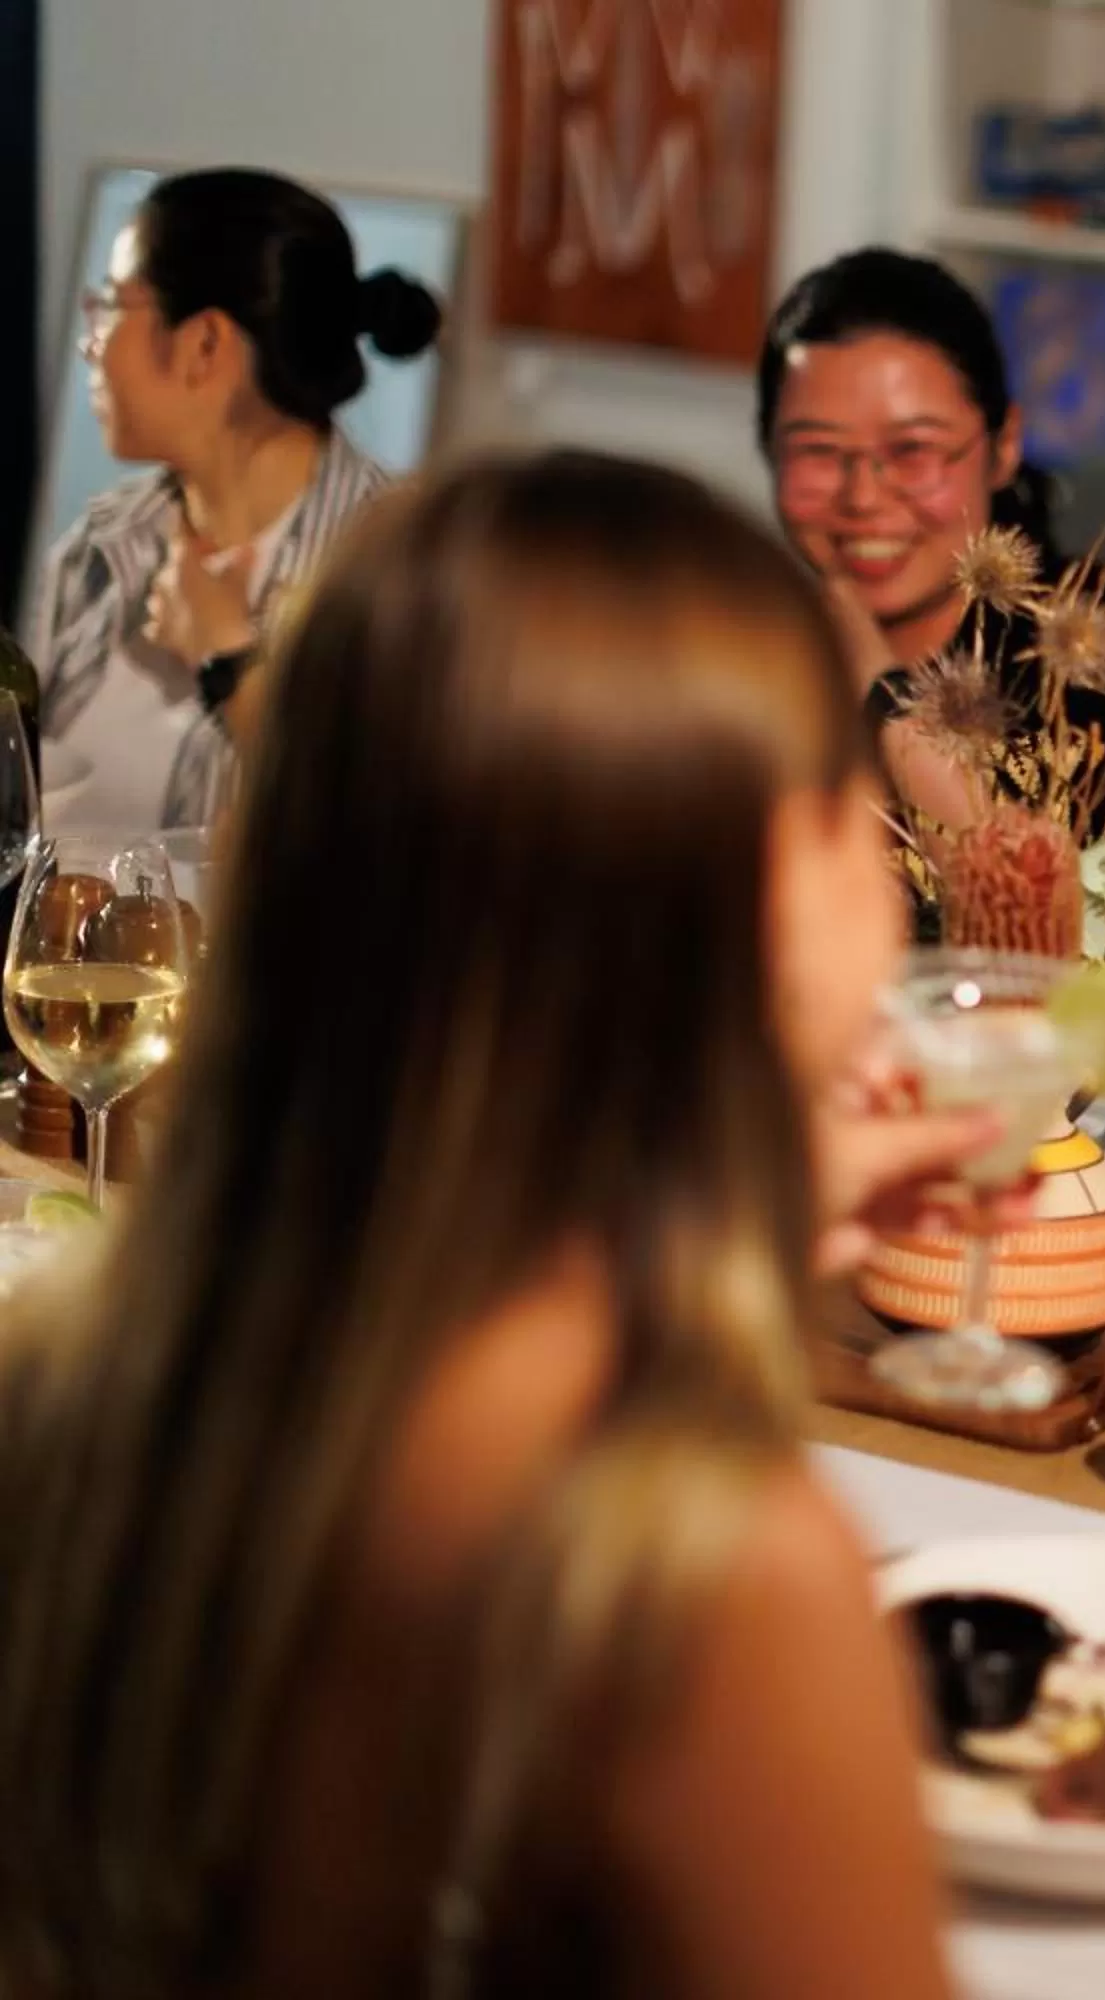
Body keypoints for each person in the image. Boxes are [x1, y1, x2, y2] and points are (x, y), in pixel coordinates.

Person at [0, 453, 1022, 1997]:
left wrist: (718, 1206)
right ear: (746, 894)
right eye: (852, 804)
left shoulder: (75, 1371)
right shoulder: (703, 1578)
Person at [757, 248, 1105, 829]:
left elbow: (1053, 905)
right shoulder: (737, 644)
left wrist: (881, 696)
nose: (863, 497)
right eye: (818, 451)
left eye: (913, 449)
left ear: (1004, 445)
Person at [24, 166, 440, 828]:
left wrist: (227, 656)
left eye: (110, 304)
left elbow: (403, 844)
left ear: (204, 344)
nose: (90, 342)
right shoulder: (99, 546)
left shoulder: (404, 565)